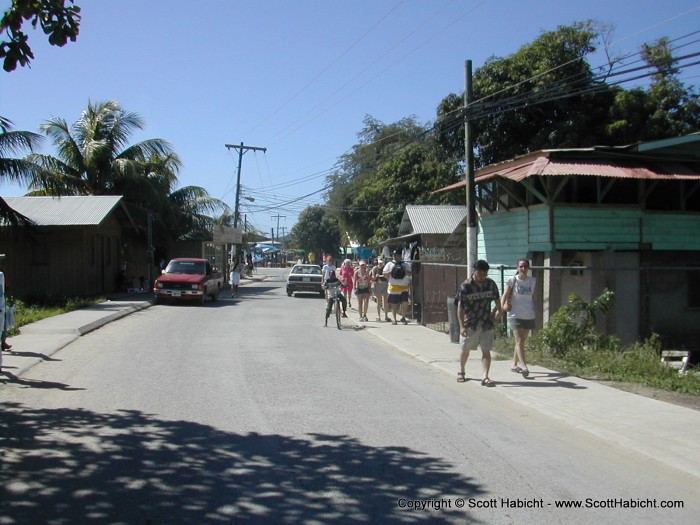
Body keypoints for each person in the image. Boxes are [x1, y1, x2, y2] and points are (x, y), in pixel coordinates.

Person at [456, 259, 503, 387]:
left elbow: (497, 299)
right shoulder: (465, 286)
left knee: (486, 350)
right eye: (480, 274)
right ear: (474, 271)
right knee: (465, 349)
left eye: (484, 274)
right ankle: (461, 371)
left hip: (486, 322)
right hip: (471, 323)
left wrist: (499, 310)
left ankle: (485, 376)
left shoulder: (490, 284)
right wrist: (461, 327)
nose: (482, 277)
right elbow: (460, 308)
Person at [502, 258, 536, 378]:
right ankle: (524, 367)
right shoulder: (512, 280)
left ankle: (514, 363)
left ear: (528, 268)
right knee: (519, 341)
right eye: (521, 266)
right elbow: (505, 295)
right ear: (517, 267)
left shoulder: (532, 281)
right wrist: (500, 309)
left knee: (521, 341)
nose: (523, 269)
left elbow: (534, 297)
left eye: (525, 266)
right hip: (515, 314)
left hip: (528, 314)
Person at [383, 249, 411, 325]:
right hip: (393, 287)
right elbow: (384, 273)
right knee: (394, 304)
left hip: (404, 287)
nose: (395, 257)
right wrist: (390, 272)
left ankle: (403, 317)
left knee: (405, 303)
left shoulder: (405, 264)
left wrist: (405, 270)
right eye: (394, 255)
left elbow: (410, 274)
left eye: (397, 255)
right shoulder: (389, 264)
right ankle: (394, 319)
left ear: (400, 256)